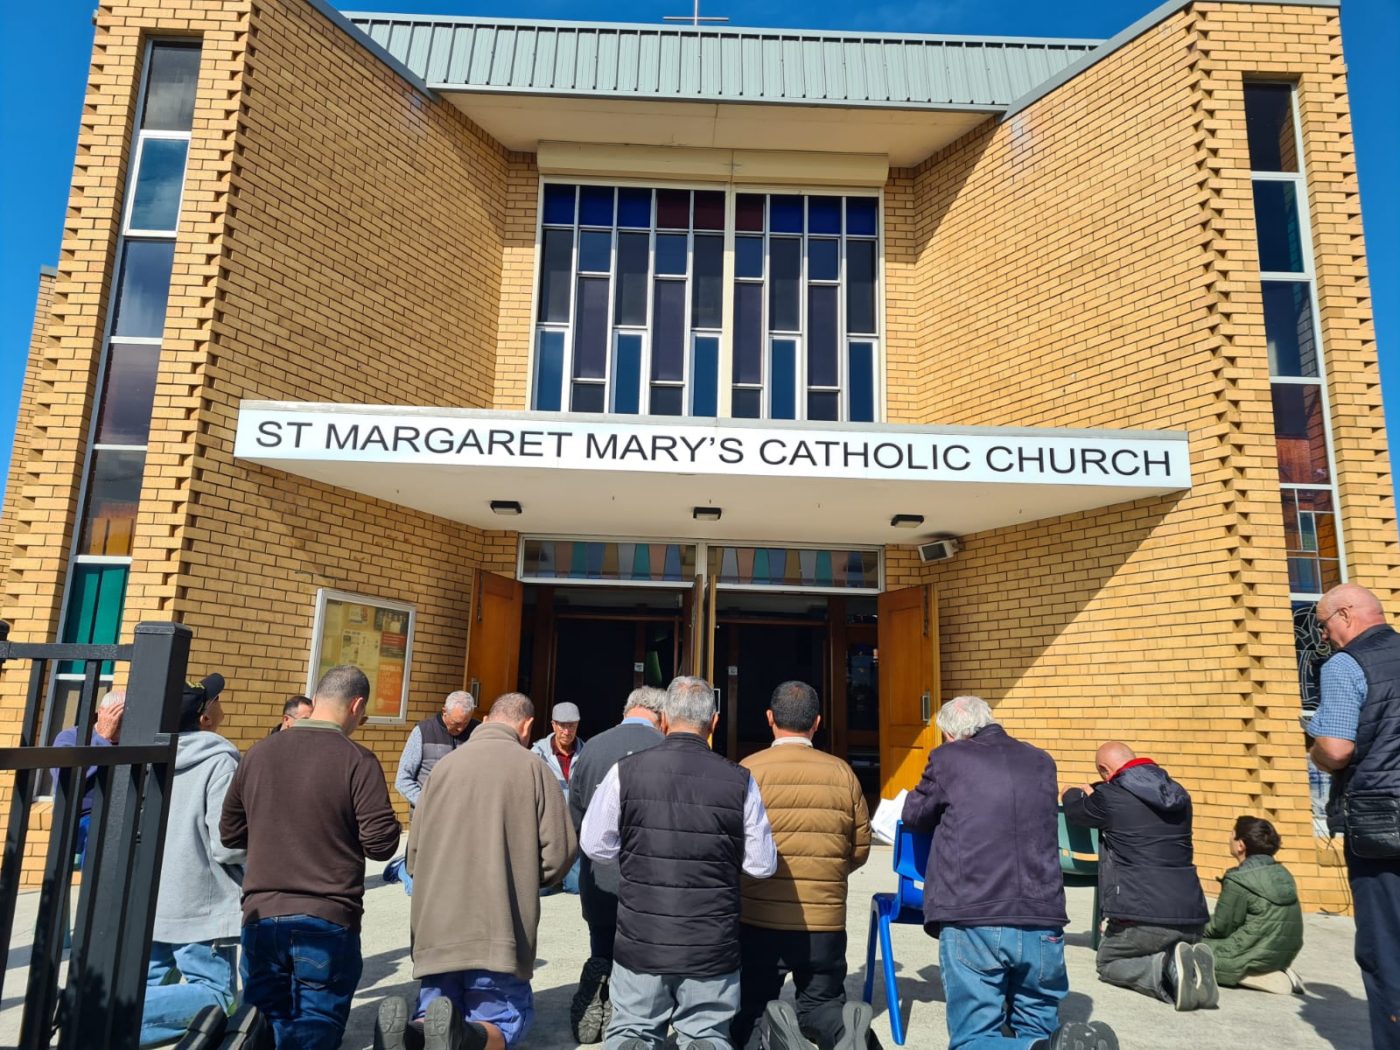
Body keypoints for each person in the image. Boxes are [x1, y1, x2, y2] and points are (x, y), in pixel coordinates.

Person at [903, 695, 1116, 1050]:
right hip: (1042, 916)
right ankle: (1049, 1044)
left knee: (973, 1041)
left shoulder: (948, 758)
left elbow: (914, 814)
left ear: (951, 736)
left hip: (974, 913)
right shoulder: (1042, 761)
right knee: (1040, 1026)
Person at [580, 676, 777, 1050]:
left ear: (665, 720)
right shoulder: (740, 781)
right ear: (714, 723)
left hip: (642, 940)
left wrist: (637, 852)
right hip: (710, 944)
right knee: (707, 1036)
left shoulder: (624, 771)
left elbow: (594, 845)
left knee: (632, 1033)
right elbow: (762, 864)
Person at [374, 693, 576, 1050]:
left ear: (485, 720)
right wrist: (524, 879)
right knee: (502, 1018)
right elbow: (560, 853)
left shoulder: (443, 769)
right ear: (527, 725)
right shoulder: (533, 768)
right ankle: (464, 1038)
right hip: (496, 930)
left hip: (437, 929)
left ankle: (411, 1036)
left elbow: (413, 855)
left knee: (435, 1009)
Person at [220, 665, 401, 1050]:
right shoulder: (357, 760)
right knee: (314, 1027)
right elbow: (381, 844)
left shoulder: (258, 754)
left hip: (262, 912)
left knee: (262, 1027)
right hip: (327, 914)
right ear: (357, 706)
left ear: (316, 699)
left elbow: (230, 834)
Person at [732, 681, 872, 1050]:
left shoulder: (748, 770)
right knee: (822, 1004)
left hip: (758, 917)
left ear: (769, 718)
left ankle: (771, 1035)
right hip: (823, 921)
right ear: (817, 722)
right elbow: (859, 848)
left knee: (752, 1005)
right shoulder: (842, 773)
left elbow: (733, 843)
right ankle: (842, 1030)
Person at [1308, 582, 1400, 1048]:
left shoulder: (1347, 664)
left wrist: (1315, 749)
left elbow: (1336, 749)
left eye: (1324, 626)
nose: (1324, 637)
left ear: (1345, 615)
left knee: (1387, 949)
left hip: (1384, 829)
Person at [1061, 741, 1215, 1012]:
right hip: (1192, 915)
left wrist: (1071, 793)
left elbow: (1077, 812)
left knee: (1109, 961)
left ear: (1104, 770)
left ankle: (1166, 968)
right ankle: (1182, 963)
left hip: (1142, 915)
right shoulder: (1180, 794)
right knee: (1164, 945)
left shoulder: (1109, 797)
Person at [141, 674, 248, 1047]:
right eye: (215, 700)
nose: (221, 705)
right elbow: (227, 844)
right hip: (202, 899)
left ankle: (99, 1020)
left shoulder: (146, 756)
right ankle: (92, 1009)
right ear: (204, 718)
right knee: (218, 997)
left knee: (154, 988)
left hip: (152, 897)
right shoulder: (219, 761)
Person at [567, 687, 666, 1044]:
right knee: (642, 957)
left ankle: (599, 982)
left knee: (602, 941)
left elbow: (575, 817)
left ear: (628, 709)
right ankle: (627, 1010)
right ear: (661, 714)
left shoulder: (591, 748)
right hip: (650, 879)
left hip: (601, 875)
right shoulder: (666, 748)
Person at [1202, 816, 1304, 994]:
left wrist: (1192, 927)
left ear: (1241, 845)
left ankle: (1258, 976)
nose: (1229, 839)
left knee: (1188, 948)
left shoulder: (1239, 879)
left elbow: (1220, 927)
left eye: (1232, 835)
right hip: (1284, 952)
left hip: (1256, 952)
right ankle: (1274, 969)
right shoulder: (1282, 873)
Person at [50, 687, 125, 861]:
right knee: (100, 832)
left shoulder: (132, 740)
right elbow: (66, 777)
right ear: (102, 712)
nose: (120, 724)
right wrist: (102, 738)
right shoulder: (70, 737)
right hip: (83, 816)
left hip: (122, 812)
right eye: (117, 716)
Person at [395, 690, 478, 808]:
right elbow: (403, 779)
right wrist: (427, 804)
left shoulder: (478, 731)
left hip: (464, 811)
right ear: (444, 711)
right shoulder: (423, 731)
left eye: (466, 723)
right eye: (456, 723)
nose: (461, 729)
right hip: (427, 810)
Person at [532, 701, 584, 798]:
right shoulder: (538, 754)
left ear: (577, 725)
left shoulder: (586, 754)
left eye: (571, 725)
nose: (567, 732)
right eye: (562, 725)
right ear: (553, 725)